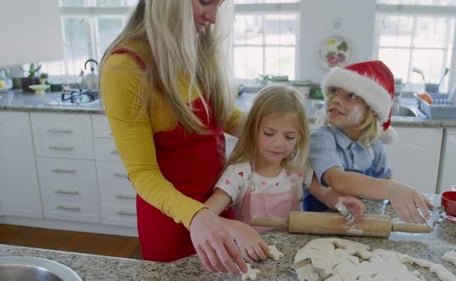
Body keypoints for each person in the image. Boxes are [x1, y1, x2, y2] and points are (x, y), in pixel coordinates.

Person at [99, 0, 267, 274]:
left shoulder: (194, 47)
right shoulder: (125, 69)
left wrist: (273, 129)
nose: (213, 17)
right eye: (205, 2)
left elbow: (226, 116)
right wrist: (198, 216)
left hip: (217, 202)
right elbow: (142, 173)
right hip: (171, 219)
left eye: (219, 5)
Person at [204, 85, 366, 233]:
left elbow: (326, 196)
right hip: (251, 253)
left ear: (299, 137)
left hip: (290, 250)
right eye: (269, 133)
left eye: (289, 137)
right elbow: (206, 216)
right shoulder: (240, 173)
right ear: (253, 129)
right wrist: (233, 230)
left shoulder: (298, 168)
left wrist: (344, 207)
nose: (278, 144)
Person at [303, 60, 434, 223]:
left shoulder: (374, 145)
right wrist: (392, 189)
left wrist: (398, 194)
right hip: (319, 224)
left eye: (351, 96)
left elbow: (384, 181)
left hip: (357, 223)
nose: (335, 100)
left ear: (371, 110)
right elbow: (337, 180)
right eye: (334, 91)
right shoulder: (321, 138)